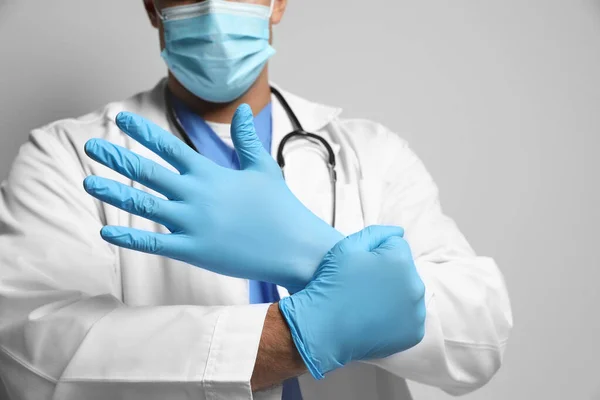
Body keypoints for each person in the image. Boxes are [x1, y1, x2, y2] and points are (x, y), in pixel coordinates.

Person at [0, 0, 513, 399]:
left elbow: (479, 334)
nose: (215, 7)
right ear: (152, 5)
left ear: (278, 1)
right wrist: (304, 332)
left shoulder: (368, 153)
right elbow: (40, 356)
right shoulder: (69, 155)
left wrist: (317, 253)